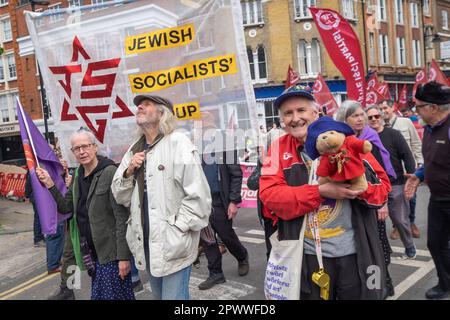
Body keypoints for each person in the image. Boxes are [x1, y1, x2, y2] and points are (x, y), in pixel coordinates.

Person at [259, 85, 390, 300]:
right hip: (306, 256)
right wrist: (321, 192)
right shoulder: (277, 148)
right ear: (282, 119)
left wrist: (359, 189)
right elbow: (271, 197)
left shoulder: (347, 142)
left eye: (301, 110)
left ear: (316, 113)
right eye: (288, 113)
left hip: (356, 253)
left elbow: (382, 192)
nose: (295, 118)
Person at [111, 95, 211, 300]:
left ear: (161, 113)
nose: (139, 107)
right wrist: (129, 171)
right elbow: (119, 195)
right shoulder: (135, 148)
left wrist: (177, 229)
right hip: (146, 243)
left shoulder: (178, 142)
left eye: (146, 105)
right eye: (139, 105)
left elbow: (199, 197)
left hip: (173, 244)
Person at [37, 128, 134, 300]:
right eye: (77, 148)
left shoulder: (110, 172)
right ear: (73, 152)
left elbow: (121, 217)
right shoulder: (77, 176)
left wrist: (124, 257)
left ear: (95, 147)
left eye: (85, 146)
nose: (82, 152)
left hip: (111, 254)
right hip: (92, 253)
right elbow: (66, 207)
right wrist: (51, 184)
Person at [335, 100, 396, 298]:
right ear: (344, 120)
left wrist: (383, 203)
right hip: (353, 204)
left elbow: (382, 174)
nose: (361, 119)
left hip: (374, 202)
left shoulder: (370, 138)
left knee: (378, 249)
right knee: (362, 253)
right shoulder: (339, 142)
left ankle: (383, 286)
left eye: (363, 115)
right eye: (355, 116)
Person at [405, 81, 450, 299]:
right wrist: (419, 175)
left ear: (433, 107)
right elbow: (434, 161)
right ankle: (445, 284)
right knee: (435, 243)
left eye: (419, 106)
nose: (416, 111)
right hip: (438, 199)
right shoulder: (430, 129)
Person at [195, 111, 248, 290]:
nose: (202, 120)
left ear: (213, 120)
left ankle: (242, 256)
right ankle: (215, 273)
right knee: (207, 238)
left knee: (226, 235)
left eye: (206, 117)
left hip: (219, 199)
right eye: (199, 118)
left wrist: (234, 201)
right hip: (200, 200)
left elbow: (236, 173)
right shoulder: (192, 143)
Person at [366, 106, 417, 261]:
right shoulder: (363, 138)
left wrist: (411, 177)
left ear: (381, 117)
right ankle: (381, 251)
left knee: (400, 220)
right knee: (374, 223)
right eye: (370, 117)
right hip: (373, 187)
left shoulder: (394, 134)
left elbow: (407, 155)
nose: (374, 119)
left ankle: (410, 248)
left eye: (376, 116)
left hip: (396, 184)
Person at [379, 100, 423, 239]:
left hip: (408, 168)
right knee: (394, 200)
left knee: (411, 198)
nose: (383, 111)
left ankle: (411, 222)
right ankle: (397, 226)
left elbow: (416, 143)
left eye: (385, 107)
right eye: (380, 108)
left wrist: (420, 163)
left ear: (393, 108)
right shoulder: (376, 127)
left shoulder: (405, 122)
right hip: (392, 172)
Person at [25, 170, 45, 248]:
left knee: (40, 217)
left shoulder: (34, 168)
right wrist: (26, 195)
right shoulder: (33, 169)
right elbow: (28, 184)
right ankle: (38, 239)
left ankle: (40, 237)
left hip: (37, 195)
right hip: (36, 196)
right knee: (38, 218)